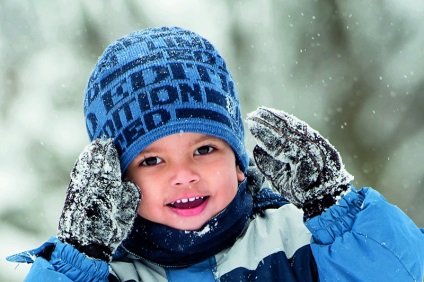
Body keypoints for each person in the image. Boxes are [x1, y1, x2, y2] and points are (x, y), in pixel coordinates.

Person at [7, 26, 424, 281]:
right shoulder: (109, 274)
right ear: (117, 181)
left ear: (240, 165)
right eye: (152, 160)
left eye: (204, 149)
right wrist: (75, 263)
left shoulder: (300, 242)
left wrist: (340, 212)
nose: (184, 174)